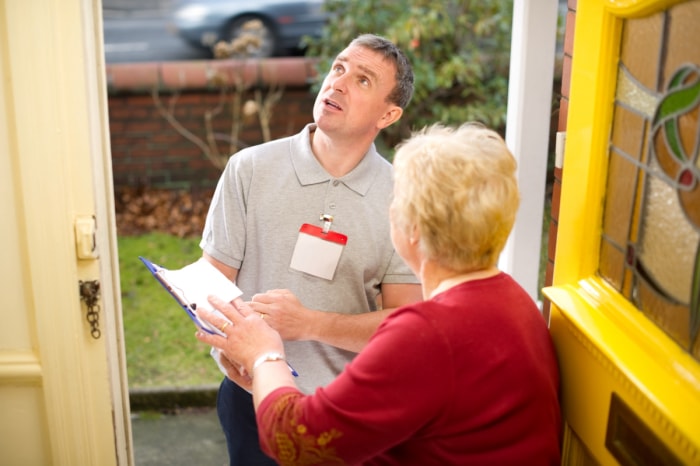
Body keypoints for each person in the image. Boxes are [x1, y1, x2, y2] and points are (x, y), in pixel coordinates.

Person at [197, 123, 562, 465]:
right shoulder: (516, 301)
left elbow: (298, 444)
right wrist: (268, 385)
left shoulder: (426, 335)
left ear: (413, 227)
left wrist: (265, 357)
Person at [198, 34, 423, 465]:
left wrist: (309, 324)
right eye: (338, 67)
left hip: (349, 407)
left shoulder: (404, 197)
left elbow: (403, 327)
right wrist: (230, 346)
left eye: (362, 80)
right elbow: (212, 284)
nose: (337, 83)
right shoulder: (249, 168)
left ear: (389, 114)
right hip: (253, 398)